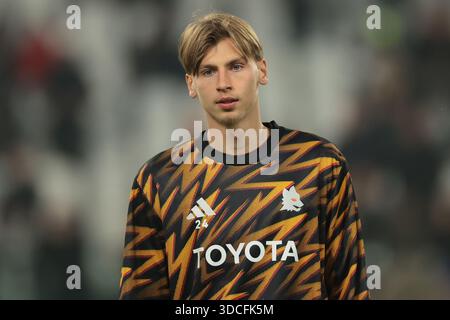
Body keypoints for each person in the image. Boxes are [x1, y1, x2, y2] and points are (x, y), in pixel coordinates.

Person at [119, 12, 369, 300]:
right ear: (191, 84)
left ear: (262, 71)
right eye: (208, 71)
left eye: (236, 66)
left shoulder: (319, 165)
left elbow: (350, 291)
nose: (223, 83)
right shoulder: (160, 180)